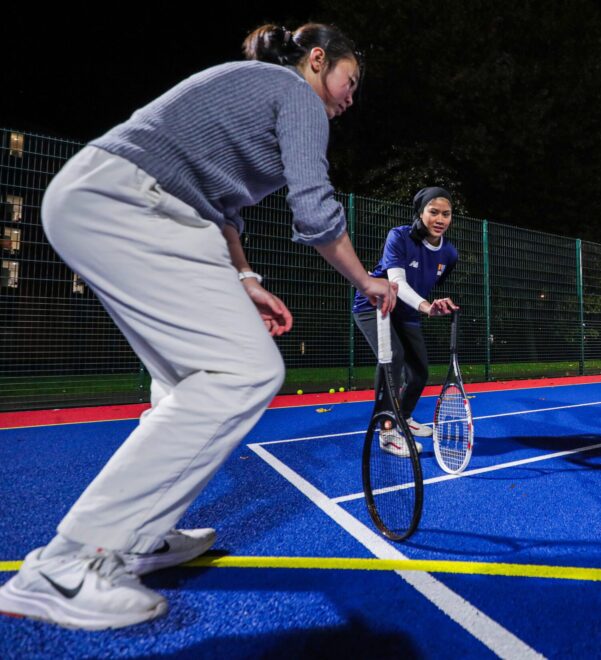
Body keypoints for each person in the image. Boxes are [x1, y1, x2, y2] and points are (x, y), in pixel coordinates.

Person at [0, 23, 396, 630]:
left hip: (112, 197)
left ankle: (141, 534)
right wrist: (366, 281)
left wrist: (244, 280)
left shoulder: (255, 92)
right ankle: (66, 566)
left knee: (189, 381)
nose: (350, 97)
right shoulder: (295, 96)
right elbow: (315, 209)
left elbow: (223, 210)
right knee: (247, 371)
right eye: (350, 80)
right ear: (318, 61)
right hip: (130, 201)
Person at [353, 186, 459, 456]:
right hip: (375, 306)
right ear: (420, 212)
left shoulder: (449, 254)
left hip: (408, 313)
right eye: (433, 212)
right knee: (393, 358)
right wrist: (426, 307)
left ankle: (405, 417)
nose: (440, 219)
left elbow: (426, 284)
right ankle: (387, 431)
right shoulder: (399, 236)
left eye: (446, 214)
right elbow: (396, 282)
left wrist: (428, 304)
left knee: (420, 371)